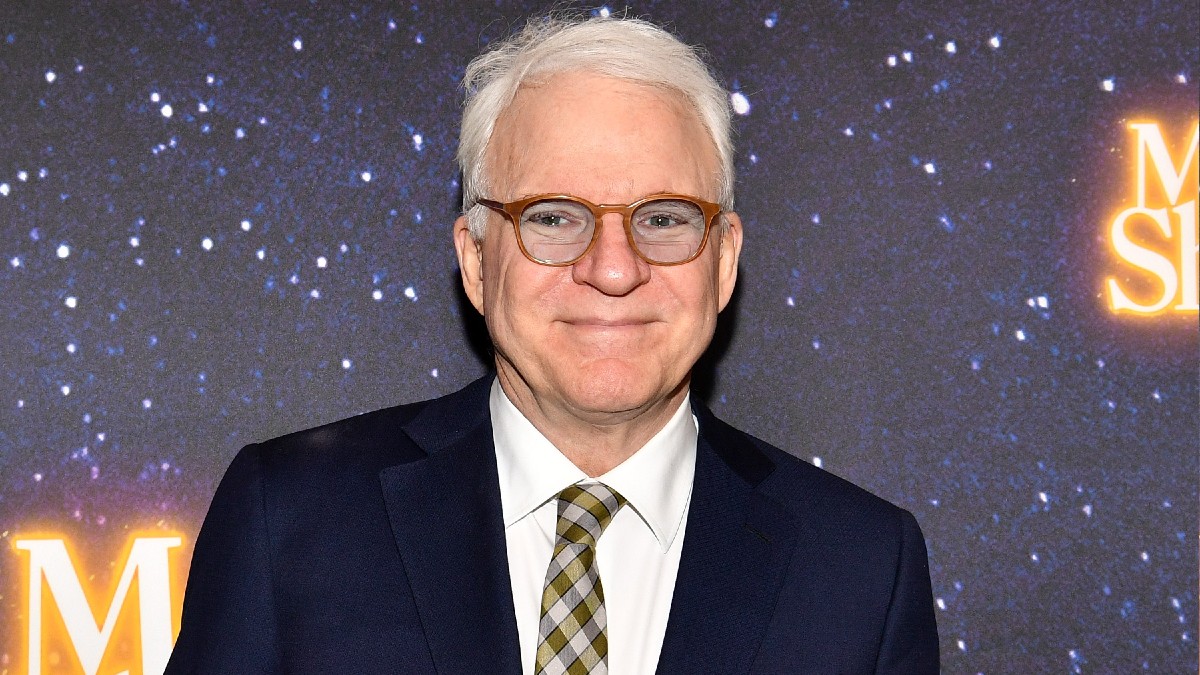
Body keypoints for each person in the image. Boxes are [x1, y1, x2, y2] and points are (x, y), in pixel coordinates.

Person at [167, 13, 938, 674]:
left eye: (664, 217)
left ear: (724, 258)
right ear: (474, 258)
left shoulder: (861, 569)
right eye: (553, 216)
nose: (612, 267)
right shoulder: (292, 517)